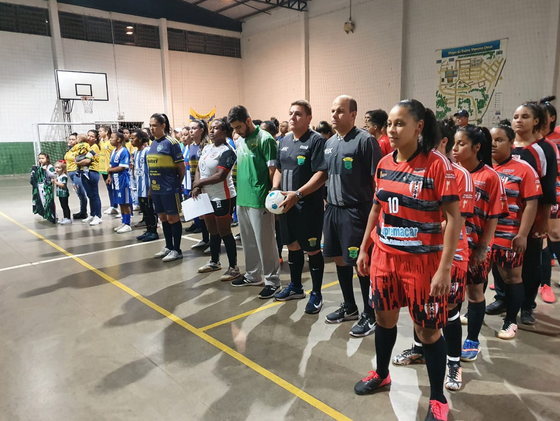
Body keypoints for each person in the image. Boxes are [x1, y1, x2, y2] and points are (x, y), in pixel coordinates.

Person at [353, 99, 462, 421]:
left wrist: (444, 268)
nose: (393, 129)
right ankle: (382, 373)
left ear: (419, 127)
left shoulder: (437, 165)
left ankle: (438, 398)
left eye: (400, 123)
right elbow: (377, 208)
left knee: (427, 333)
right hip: (385, 259)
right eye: (390, 123)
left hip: (423, 264)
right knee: (384, 320)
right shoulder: (385, 163)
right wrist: (364, 249)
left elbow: (454, 218)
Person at [392, 117, 474, 392]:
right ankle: (419, 349)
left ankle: (454, 362)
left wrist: (417, 227)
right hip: (419, 254)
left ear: (442, 142)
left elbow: (455, 220)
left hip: (450, 255)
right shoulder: (412, 168)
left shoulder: (458, 175)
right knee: (420, 313)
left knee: (448, 314)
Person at [487, 103, 558, 325]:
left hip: (531, 217)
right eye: (516, 116)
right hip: (502, 222)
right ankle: (502, 298)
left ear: (536, 121)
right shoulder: (505, 146)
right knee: (500, 264)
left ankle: (527, 305)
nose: (518, 120)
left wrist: (544, 220)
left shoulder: (544, 148)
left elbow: (547, 188)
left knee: (529, 265)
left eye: (525, 116)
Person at [323, 95, 381, 337]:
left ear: (353, 114)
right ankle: (350, 306)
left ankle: (370, 314)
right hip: (333, 211)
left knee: (361, 264)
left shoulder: (365, 142)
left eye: (340, 111)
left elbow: (377, 182)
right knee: (339, 259)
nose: (334, 115)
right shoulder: (329, 143)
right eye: (333, 110)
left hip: (356, 212)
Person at [452, 126, 506, 362]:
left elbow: (493, 215)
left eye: (461, 144)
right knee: (452, 296)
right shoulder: (450, 173)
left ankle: (472, 339)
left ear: (476, 147)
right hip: (452, 247)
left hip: (475, 248)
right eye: (453, 143)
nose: (454, 149)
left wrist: (483, 247)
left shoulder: (490, 177)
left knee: (475, 294)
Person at [271, 100, 328, 314]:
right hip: (286, 206)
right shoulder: (284, 140)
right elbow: (278, 167)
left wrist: (299, 194)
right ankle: (296, 286)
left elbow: (322, 174)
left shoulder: (316, 142)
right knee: (292, 246)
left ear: (309, 117)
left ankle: (317, 294)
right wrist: (275, 188)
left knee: (312, 249)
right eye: (291, 113)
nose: (293, 117)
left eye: (298, 114)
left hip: (308, 206)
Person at [491, 122, 541, 339]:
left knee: (512, 278)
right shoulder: (483, 167)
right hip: (484, 235)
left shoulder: (524, 169)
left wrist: (522, 234)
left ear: (511, 143)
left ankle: (511, 321)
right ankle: (474, 310)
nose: (493, 144)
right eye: (490, 140)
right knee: (480, 274)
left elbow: (531, 203)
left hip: (508, 234)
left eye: (499, 140)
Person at [227, 105, 281, 298]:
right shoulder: (240, 140)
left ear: (248, 121)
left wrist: (272, 194)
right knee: (248, 241)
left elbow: (273, 171)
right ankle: (252, 275)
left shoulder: (266, 140)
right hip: (242, 198)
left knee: (265, 242)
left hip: (260, 199)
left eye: (239, 127)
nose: (237, 131)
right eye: (234, 128)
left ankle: (273, 281)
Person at [192, 118, 241, 281]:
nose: (211, 131)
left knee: (225, 232)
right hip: (206, 195)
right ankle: (214, 261)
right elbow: (199, 167)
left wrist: (199, 182)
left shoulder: (228, 152)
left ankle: (234, 267)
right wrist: (197, 186)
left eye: (216, 128)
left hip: (223, 196)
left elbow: (220, 176)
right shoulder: (206, 148)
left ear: (225, 132)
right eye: (210, 128)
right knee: (212, 231)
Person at [148, 113, 185, 262]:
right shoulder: (153, 143)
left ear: (163, 126)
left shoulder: (172, 143)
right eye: (150, 125)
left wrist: (176, 184)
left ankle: (177, 250)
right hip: (156, 188)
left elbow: (181, 168)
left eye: (154, 125)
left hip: (170, 188)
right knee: (162, 218)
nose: (151, 128)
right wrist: (151, 187)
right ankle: (168, 246)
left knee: (173, 218)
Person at [538, 96, 559, 303]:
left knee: (551, 234)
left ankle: (545, 283)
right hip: (529, 194)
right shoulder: (526, 141)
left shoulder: (555, 139)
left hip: (553, 189)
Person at [186, 119, 211, 249]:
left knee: (208, 215)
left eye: (194, 128)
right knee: (201, 213)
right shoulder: (191, 146)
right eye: (190, 128)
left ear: (201, 130)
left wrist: (199, 185)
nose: (191, 131)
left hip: (204, 183)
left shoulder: (206, 145)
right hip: (194, 182)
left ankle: (213, 242)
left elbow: (203, 168)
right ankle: (205, 239)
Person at [131, 129, 159, 242]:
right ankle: (148, 230)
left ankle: (154, 232)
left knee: (150, 211)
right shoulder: (135, 152)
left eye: (133, 138)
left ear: (141, 139)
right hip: (139, 187)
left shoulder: (148, 151)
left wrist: (151, 188)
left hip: (147, 187)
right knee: (145, 211)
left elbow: (153, 170)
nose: (131, 140)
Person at [107, 131, 132, 234]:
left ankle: (128, 223)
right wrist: (109, 176)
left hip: (122, 180)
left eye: (112, 138)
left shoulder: (124, 151)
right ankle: (123, 221)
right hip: (115, 181)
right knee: (120, 202)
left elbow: (122, 167)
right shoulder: (113, 151)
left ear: (118, 139)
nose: (110, 140)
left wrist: (110, 171)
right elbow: (110, 166)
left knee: (125, 202)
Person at [78, 131, 103, 226]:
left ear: (96, 139)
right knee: (90, 195)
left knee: (94, 195)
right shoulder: (85, 146)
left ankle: (98, 216)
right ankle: (92, 214)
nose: (89, 137)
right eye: (88, 135)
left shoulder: (94, 147)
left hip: (92, 172)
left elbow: (87, 160)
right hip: (84, 172)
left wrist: (77, 163)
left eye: (92, 136)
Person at [64, 133, 88, 220]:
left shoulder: (79, 150)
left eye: (73, 139)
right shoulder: (69, 150)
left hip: (76, 173)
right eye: (69, 139)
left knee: (81, 193)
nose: (70, 141)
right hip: (70, 173)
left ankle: (83, 212)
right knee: (78, 193)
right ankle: (82, 211)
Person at [98, 125, 119, 216]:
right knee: (109, 188)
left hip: (110, 168)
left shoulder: (111, 143)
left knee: (114, 188)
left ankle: (116, 206)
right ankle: (112, 205)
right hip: (103, 168)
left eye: (101, 131)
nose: (99, 133)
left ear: (106, 132)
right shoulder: (101, 142)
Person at [31, 152, 56, 223]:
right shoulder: (40, 167)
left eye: (43, 158)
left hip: (47, 186)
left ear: (47, 159)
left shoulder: (50, 166)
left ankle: (53, 214)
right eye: (39, 158)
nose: (41, 160)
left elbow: (53, 175)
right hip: (41, 186)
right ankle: (46, 213)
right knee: (43, 200)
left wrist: (46, 170)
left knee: (49, 200)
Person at [52, 160, 71, 225]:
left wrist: (55, 182)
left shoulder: (64, 176)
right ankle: (65, 217)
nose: (57, 169)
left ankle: (68, 218)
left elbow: (63, 185)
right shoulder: (58, 176)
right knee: (62, 206)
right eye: (56, 167)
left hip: (64, 193)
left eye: (59, 168)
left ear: (63, 169)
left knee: (65, 206)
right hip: (60, 193)